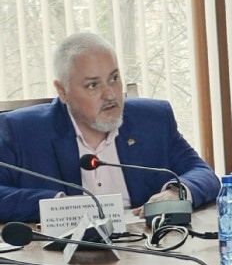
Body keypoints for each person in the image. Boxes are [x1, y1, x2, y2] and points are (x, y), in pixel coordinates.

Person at [0, 32, 220, 223]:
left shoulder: (153, 120)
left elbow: (203, 174)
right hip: (63, 253)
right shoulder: (21, 131)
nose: (110, 94)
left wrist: (176, 192)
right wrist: (57, 205)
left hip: (146, 246)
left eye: (114, 78)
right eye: (92, 85)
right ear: (62, 91)